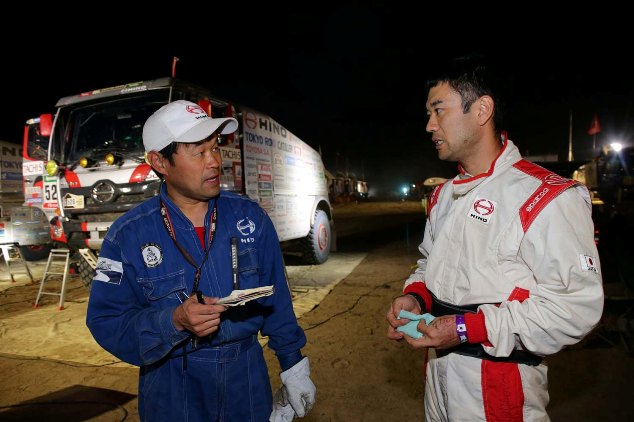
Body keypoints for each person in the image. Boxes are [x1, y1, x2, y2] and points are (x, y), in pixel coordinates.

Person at [386, 55, 604, 421]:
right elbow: (429, 264)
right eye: (428, 113)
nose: (429, 125)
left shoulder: (547, 196)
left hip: (499, 388)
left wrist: (464, 328)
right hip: (437, 378)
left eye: (438, 110)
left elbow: (575, 308)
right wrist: (415, 296)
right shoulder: (443, 196)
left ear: (482, 109)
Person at [86, 100, 315, 422]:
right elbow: (106, 322)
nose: (215, 162)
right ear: (160, 162)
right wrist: (173, 321)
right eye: (199, 152)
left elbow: (277, 299)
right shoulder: (126, 236)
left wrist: (293, 365)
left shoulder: (250, 219)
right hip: (172, 387)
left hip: (245, 380)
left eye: (216, 148)